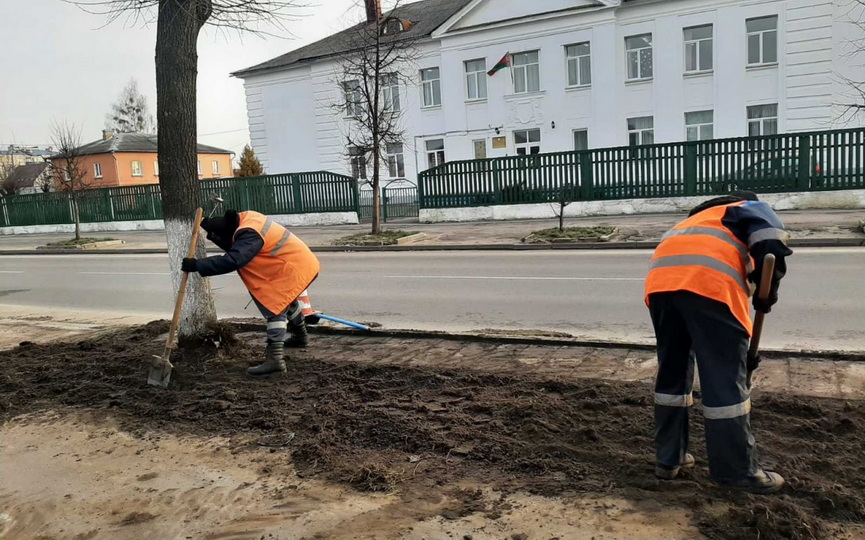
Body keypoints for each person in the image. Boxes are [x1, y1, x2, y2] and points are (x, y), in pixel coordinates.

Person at [644, 191, 792, 494]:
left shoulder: (692, 222)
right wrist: (768, 292)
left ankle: (669, 460)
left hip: (660, 287)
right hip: (708, 286)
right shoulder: (749, 206)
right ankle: (736, 472)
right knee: (724, 381)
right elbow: (771, 246)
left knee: (672, 374)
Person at [181, 209, 320, 378]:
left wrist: (197, 265)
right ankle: (300, 336)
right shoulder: (247, 218)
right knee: (287, 300)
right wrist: (209, 226)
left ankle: (275, 360)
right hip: (298, 262)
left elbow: (234, 259)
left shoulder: (249, 233)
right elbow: (234, 244)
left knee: (275, 308)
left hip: (290, 268)